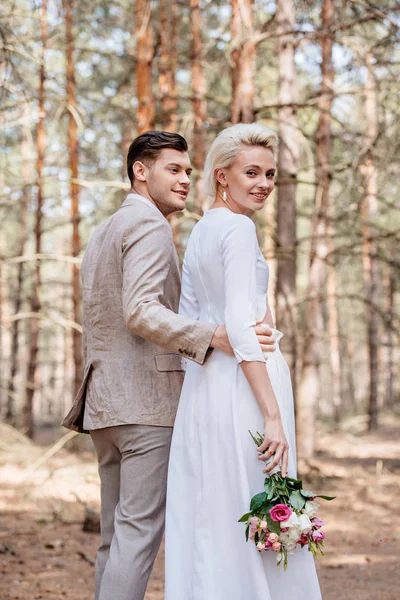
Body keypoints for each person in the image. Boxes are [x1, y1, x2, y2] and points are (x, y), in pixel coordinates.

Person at [62, 130, 276, 600]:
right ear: (141, 171)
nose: (184, 180)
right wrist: (213, 335)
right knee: (136, 539)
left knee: (114, 539)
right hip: (145, 407)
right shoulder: (149, 225)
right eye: (173, 169)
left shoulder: (104, 230)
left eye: (187, 172)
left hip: (105, 405)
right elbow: (139, 311)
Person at [165, 123, 322, 600]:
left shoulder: (202, 231)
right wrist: (272, 414)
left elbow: (192, 322)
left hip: (206, 388)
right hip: (245, 389)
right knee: (254, 495)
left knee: (215, 505)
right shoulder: (236, 227)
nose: (263, 184)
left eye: (270, 174)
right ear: (221, 176)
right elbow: (236, 322)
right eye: (251, 172)